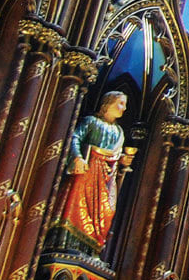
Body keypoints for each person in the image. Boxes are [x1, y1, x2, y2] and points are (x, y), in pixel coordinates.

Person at [52, 92, 132, 255]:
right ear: (108, 103)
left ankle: (91, 247)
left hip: (106, 176)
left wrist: (122, 159)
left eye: (124, 104)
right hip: (88, 170)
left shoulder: (119, 132)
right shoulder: (91, 122)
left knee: (107, 211)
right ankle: (65, 241)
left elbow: (113, 155)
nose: (124, 108)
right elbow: (75, 138)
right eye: (121, 103)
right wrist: (77, 158)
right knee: (75, 203)